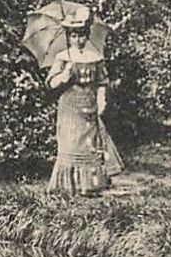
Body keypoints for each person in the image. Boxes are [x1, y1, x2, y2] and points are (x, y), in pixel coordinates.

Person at [45, 11, 124, 196]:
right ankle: (66, 185)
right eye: (73, 35)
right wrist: (63, 76)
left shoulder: (94, 57)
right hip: (69, 107)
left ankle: (90, 185)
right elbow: (50, 83)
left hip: (89, 106)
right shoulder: (63, 57)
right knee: (71, 143)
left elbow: (102, 82)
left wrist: (101, 99)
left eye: (81, 34)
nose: (78, 39)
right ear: (68, 37)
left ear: (87, 35)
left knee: (90, 144)